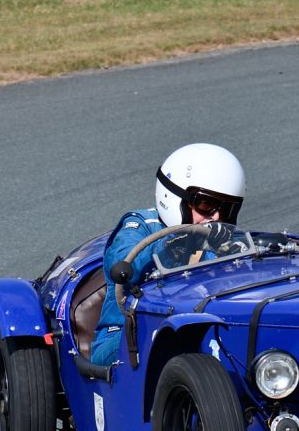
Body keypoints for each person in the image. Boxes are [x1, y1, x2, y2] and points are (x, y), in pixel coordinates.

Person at [90, 143, 246, 367]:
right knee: (169, 345)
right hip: (126, 336)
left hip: (199, 330)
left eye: (227, 208)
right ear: (174, 196)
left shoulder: (223, 239)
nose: (218, 215)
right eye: (206, 204)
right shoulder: (139, 225)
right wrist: (172, 246)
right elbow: (122, 264)